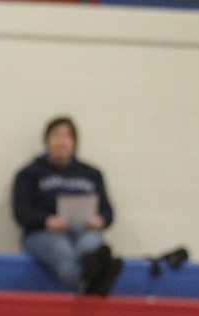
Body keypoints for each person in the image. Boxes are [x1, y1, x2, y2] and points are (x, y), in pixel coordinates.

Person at [12, 116, 120, 295]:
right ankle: (92, 286)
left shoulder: (91, 174)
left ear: (74, 142)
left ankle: (92, 273)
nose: (61, 141)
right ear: (47, 141)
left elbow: (108, 212)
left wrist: (101, 220)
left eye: (67, 136)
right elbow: (21, 212)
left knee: (92, 245)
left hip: (84, 227)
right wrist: (47, 221)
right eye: (56, 136)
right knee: (63, 252)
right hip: (45, 232)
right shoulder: (29, 173)